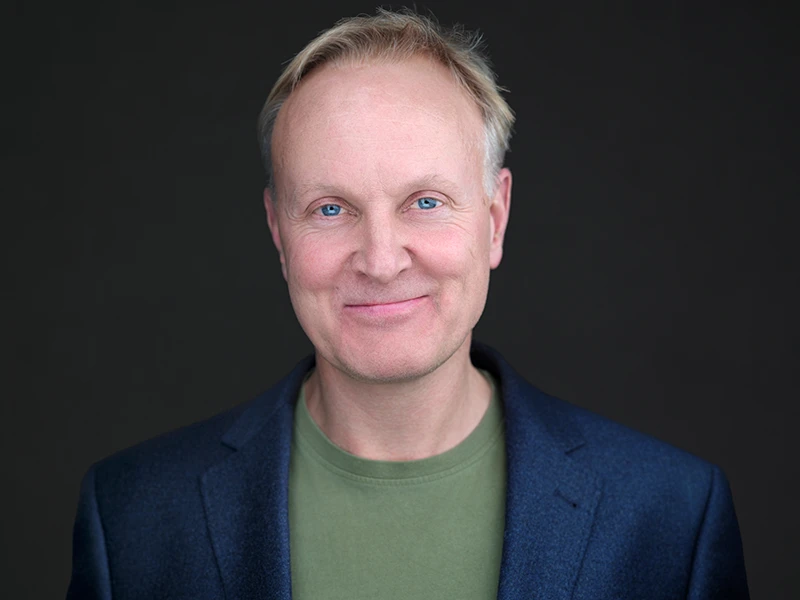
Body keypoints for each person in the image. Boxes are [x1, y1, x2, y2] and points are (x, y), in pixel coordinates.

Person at [67, 9, 749, 599]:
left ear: (496, 217)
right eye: (331, 208)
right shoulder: (134, 519)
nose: (382, 258)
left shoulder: (670, 517)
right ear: (279, 233)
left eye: (426, 202)